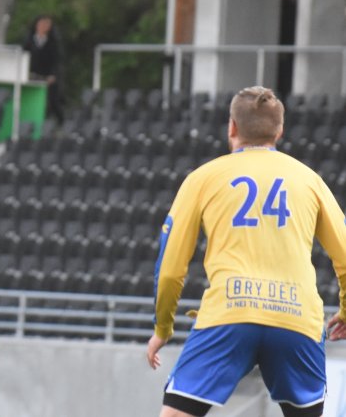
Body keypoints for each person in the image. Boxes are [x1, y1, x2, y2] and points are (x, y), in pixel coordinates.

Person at [146, 86, 346, 417]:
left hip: (229, 313)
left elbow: (170, 269)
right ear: (279, 131)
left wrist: (162, 328)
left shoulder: (203, 178)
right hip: (295, 317)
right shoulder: (310, 181)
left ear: (232, 127)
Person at [21, 14, 64, 125]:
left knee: (52, 101)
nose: (43, 26)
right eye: (41, 24)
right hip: (31, 75)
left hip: (47, 76)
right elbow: (24, 56)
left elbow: (56, 60)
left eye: (47, 24)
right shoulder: (29, 40)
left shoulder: (53, 42)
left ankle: (60, 123)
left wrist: (53, 74)